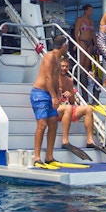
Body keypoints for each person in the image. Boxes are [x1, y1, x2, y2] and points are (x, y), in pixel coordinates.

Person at [30, 34, 69, 167]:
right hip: (40, 94)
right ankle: (36, 157)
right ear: (64, 46)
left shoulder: (59, 58)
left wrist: (57, 92)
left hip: (50, 93)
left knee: (53, 123)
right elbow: (47, 78)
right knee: (42, 125)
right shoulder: (50, 56)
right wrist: (53, 96)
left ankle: (49, 156)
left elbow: (55, 77)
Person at [56, 59, 97, 149]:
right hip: (55, 109)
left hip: (67, 107)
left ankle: (90, 140)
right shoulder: (53, 79)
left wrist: (70, 95)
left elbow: (72, 101)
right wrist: (59, 96)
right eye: (62, 66)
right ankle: (65, 140)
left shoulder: (69, 81)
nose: (64, 68)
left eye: (66, 66)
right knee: (68, 108)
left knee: (88, 109)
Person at [72, 4, 96, 100]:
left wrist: (96, 43)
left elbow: (93, 33)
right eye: (90, 10)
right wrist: (77, 43)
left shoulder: (91, 21)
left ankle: (85, 82)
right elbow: (76, 31)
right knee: (81, 63)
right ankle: (78, 82)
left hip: (89, 42)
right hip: (82, 41)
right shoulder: (80, 19)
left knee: (87, 63)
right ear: (85, 10)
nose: (91, 12)